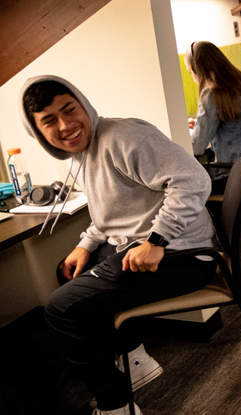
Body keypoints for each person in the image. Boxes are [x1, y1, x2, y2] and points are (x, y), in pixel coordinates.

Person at [22, 76, 216, 415]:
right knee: (68, 272)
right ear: (38, 132)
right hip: (143, 249)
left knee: (60, 308)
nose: (65, 125)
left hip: (184, 255)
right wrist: (85, 245)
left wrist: (157, 240)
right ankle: (134, 357)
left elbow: (194, 181)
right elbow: (111, 213)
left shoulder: (123, 136)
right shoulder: (80, 155)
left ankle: (117, 405)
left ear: (83, 104)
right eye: (50, 121)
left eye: (69, 110)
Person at [186, 41, 241, 163]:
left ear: (198, 69)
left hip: (237, 171)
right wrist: (200, 123)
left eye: (191, 72)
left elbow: (197, 147)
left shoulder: (212, 93)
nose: (193, 77)